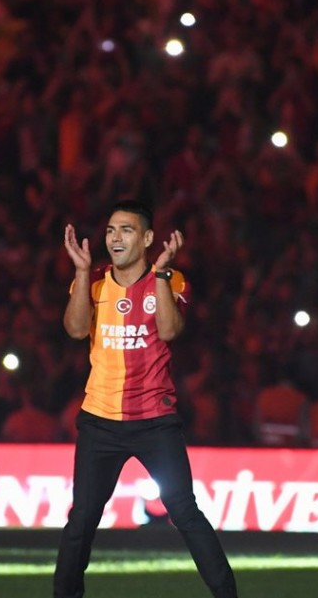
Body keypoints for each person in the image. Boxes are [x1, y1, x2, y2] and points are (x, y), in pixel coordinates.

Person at [54, 200, 237, 598]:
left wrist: (162, 274)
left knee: (185, 512)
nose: (115, 238)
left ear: (148, 238)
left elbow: (170, 332)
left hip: (155, 420)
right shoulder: (94, 281)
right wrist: (82, 272)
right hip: (100, 420)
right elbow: (73, 329)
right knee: (82, 519)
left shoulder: (170, 280)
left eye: (126, 230)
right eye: (110, 231)